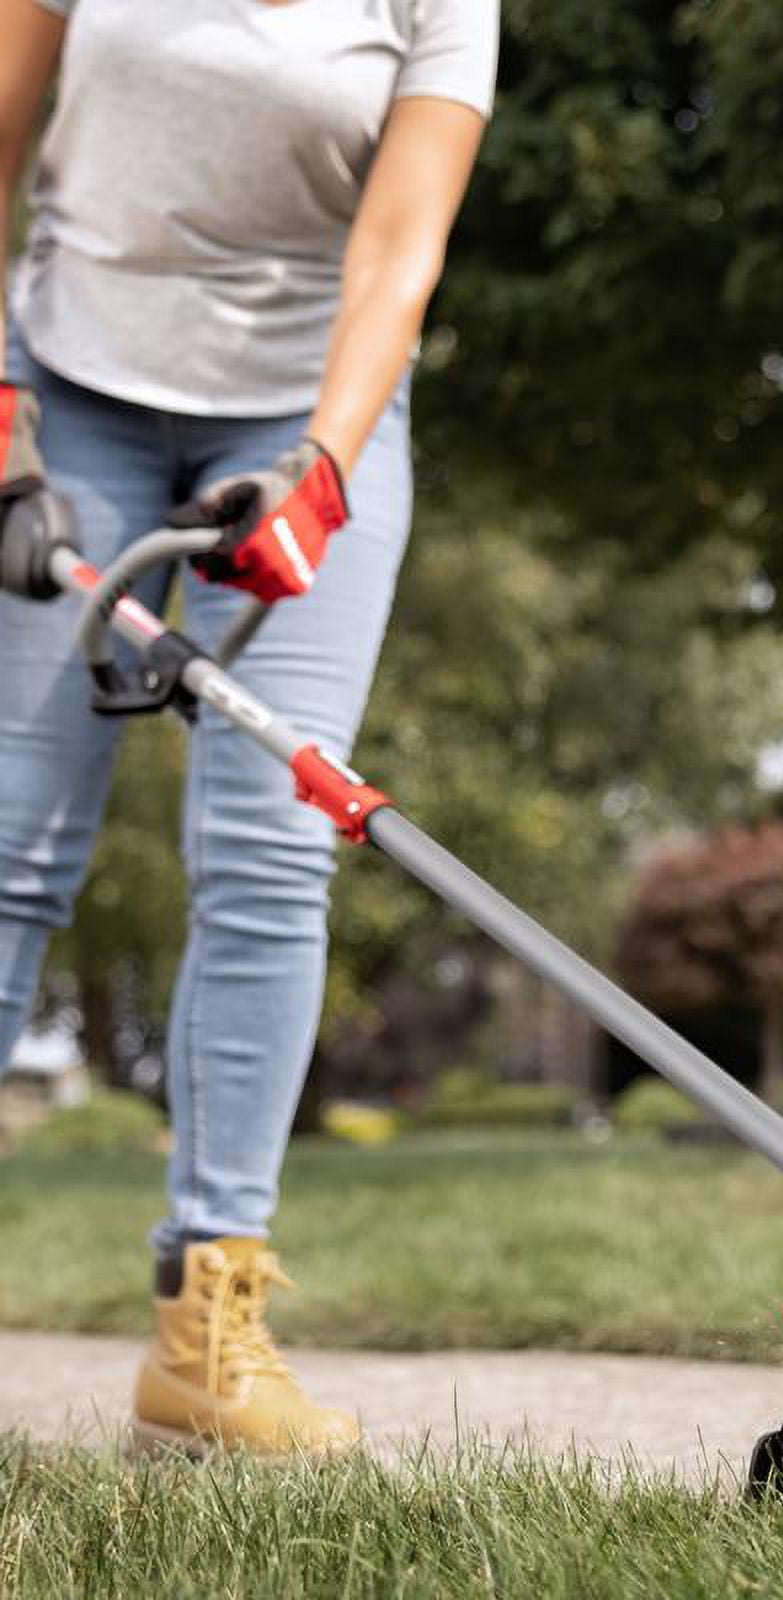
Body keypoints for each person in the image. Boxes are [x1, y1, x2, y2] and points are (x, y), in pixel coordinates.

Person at [0, 0, 496, 1455]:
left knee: (273, 850)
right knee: (13, 847)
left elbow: (399, 252)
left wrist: (321, 470)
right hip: (67, 390)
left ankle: (207, 1336)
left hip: (304, 419)